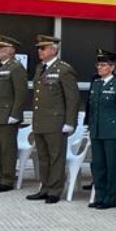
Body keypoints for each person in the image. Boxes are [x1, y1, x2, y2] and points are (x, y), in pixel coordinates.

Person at [27, 35, 80, 205]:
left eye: (43, 48)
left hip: (56, 121)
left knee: (56, 156)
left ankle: (55, 190)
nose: (39, 51)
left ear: (53, 50)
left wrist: (70, 122)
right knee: (42, 156)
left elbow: (72, 98)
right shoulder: (40, 68)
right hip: (41, 120)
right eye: (39, 48)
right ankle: (44, 187)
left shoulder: (64, 69)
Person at [85, 49, 116, 210]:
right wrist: (89, 126)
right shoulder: (96, 83)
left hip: (112, 132)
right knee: (98, 165)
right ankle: (99, 196)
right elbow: (92, 107)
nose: (99, 68)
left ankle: (110, 199)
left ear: (111, 67)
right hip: (96, 130)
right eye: (98, 64)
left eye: (103, 65)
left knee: (111, 166)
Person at [0, 35, 27, 193]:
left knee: (7, 148)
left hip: (8, 114)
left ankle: (8, 179)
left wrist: (15, 114)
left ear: (11, 50)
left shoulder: (16, 67)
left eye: (1, 47)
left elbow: (21, 93)